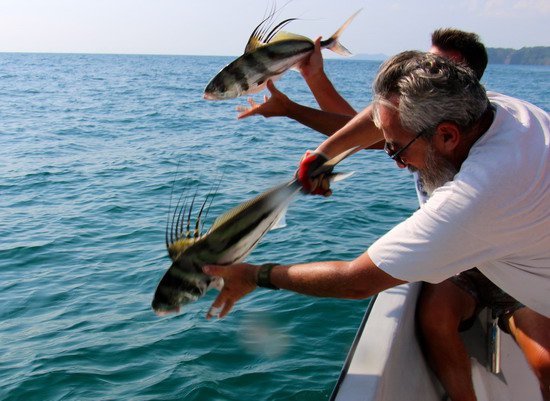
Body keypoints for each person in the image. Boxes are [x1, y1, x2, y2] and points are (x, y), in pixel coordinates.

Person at [205, 52, 550, 401]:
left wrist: (254, 275)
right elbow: (380, 114)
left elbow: (355, 281)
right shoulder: (494, 109)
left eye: (396, 149)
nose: (398, 163)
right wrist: (322, 155)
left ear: (447, 136)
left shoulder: (478, 196)